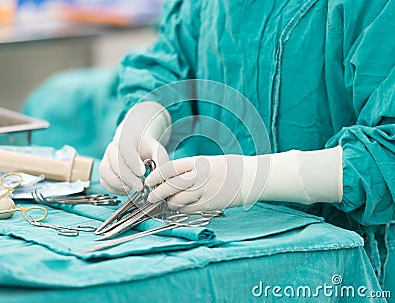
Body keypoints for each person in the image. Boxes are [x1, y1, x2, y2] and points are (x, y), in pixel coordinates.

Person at [99, 0, 395, 296]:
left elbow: (388, 152)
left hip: (339, 271)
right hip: (217, 250)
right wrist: (141, 122)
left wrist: (253, 177)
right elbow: (172, 58)